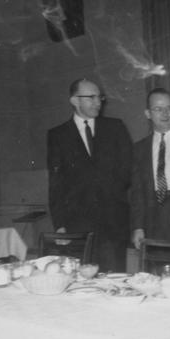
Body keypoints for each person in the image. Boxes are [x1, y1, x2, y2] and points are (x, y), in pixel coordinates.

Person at [47, 78, 132, 272]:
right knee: (82, 282)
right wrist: (60, 224)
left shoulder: (115, 127)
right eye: (91, 97)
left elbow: (127, 170)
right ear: (75, 101)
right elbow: (56, 183)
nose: (98, 102)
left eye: (99, 97)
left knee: (114, 281)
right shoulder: (57, 135)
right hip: (77, 225)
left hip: (113, 224)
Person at [130, 88, 170, 249]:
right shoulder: (139, 148)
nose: (165, 113)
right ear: (148, 114)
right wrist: (138, 227)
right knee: (156, 268)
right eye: (158, 109)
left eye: (169, 108)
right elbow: (137, 192)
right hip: (153, 215)